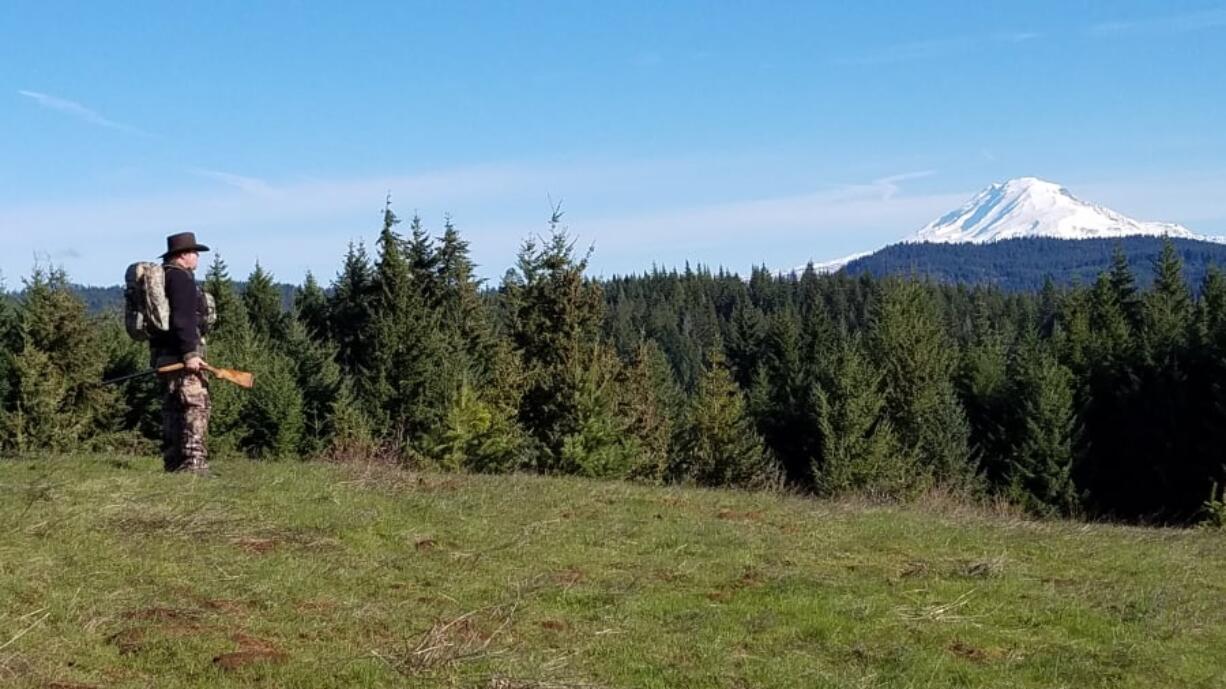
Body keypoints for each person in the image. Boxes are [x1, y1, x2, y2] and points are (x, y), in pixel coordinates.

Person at [150, 232, 212, 474]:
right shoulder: (182, 279)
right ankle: (194, 464)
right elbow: (183, 319)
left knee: (172, 408)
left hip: (163, 357)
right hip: (181, 357)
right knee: (196, 405)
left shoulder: (163, 277)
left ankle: (173, 463)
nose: (197, 257)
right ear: (183, 255)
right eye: (194, 252)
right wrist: (190, 353)